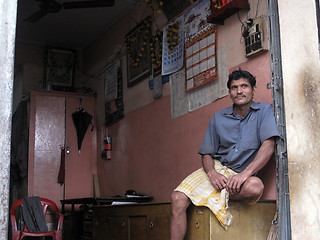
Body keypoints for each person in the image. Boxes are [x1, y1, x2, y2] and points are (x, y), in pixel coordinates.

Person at [170, 69, 280, 240]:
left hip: (242, 175)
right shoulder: (218, 118)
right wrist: (212, 173)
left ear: (253, 90)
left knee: (255, 187)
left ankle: (213, 198)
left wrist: (244, 174)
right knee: (177, 198)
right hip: (218, 170)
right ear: (230, 93)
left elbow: (269, 146)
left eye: (244, 86)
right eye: (234, 87)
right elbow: (206, 154)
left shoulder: (265, 111)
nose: (239, 91)